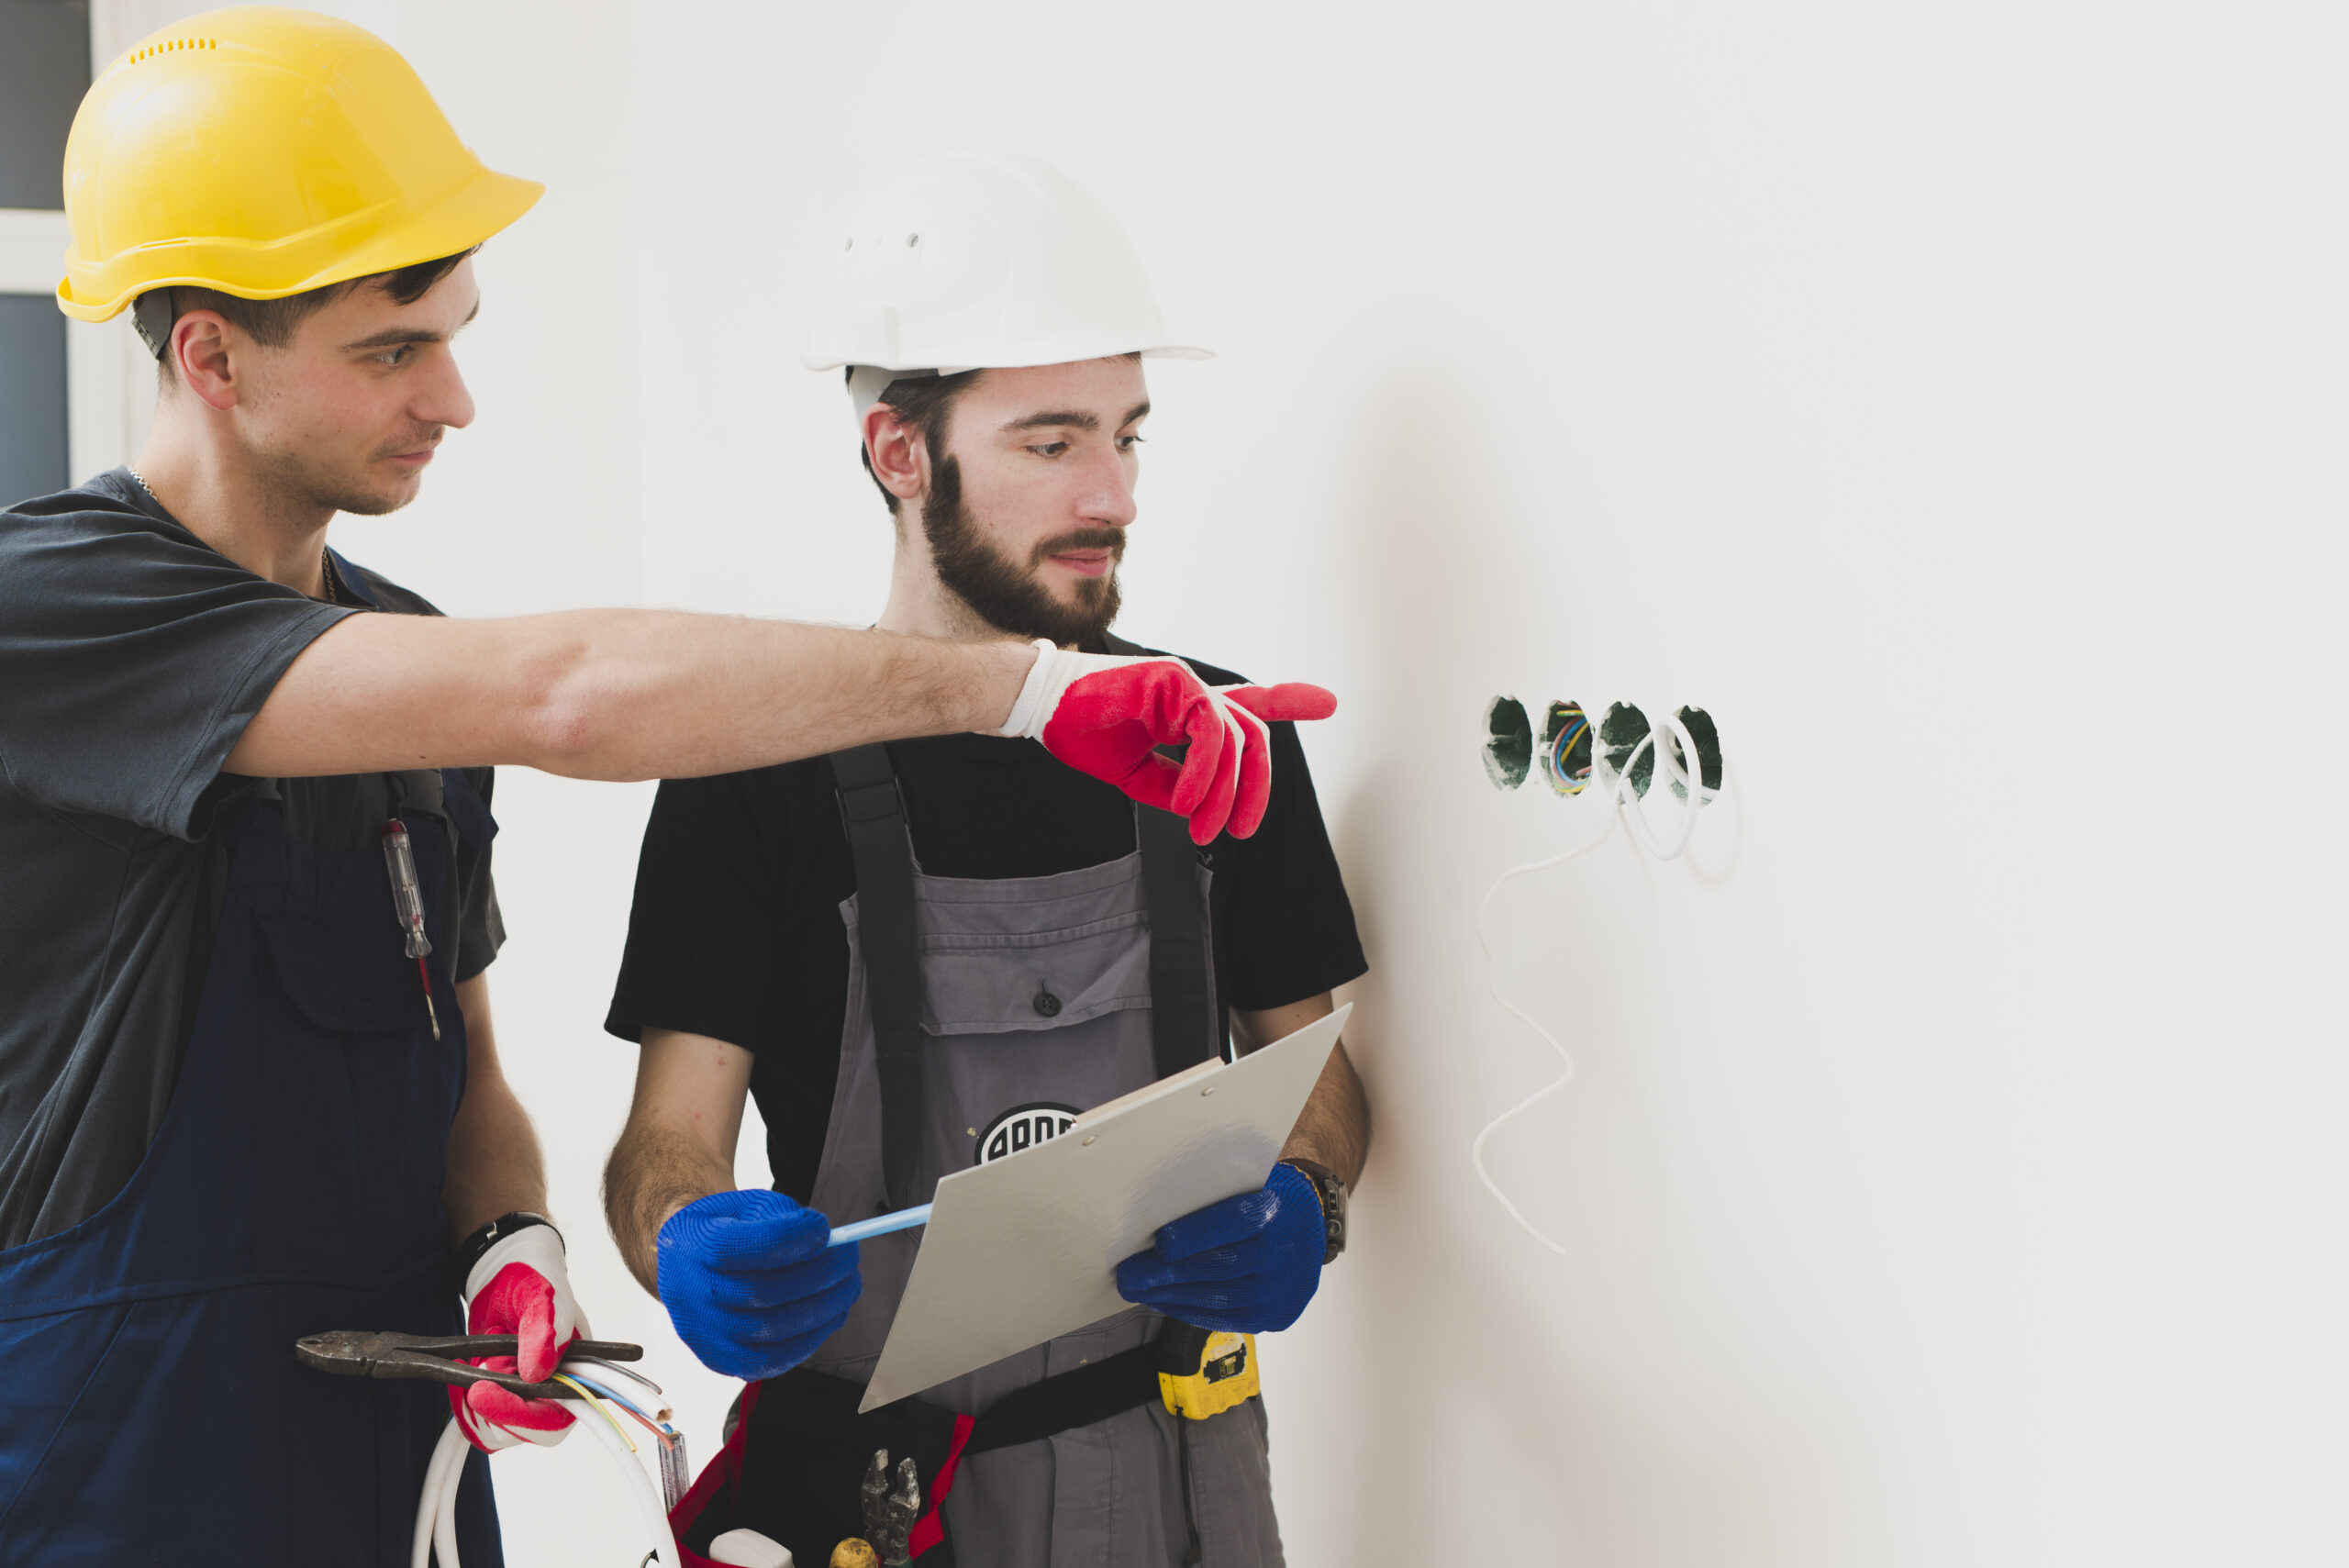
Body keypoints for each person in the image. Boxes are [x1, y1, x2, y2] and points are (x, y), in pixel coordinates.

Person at [0, 17, 1327, 1564]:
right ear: (211, 353)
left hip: (395, 1474)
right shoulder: (51, 611)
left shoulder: (401, 661)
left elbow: (468, 1063)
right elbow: (568, 689)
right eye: (393, 347)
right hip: (115, 1471)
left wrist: (515, 1239)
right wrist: (1029, 689)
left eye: (453, 333)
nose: (455, 397)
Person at [602, 151, 1372, 1566]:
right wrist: (687, 1244)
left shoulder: (1218, 734)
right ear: (901, 453)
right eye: (1051, 441)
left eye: (1129, 436)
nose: (1115, 492)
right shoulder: (750, 772)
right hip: (878, 1507)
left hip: (1185, 1490)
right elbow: (665, 1146)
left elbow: (1315, 1079)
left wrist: (1305, 1198)